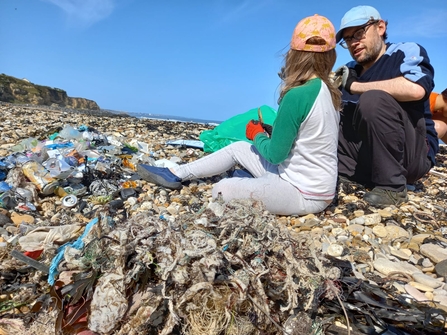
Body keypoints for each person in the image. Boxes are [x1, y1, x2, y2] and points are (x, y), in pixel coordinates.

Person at [137, 14, 341, 216]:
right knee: (238, 148)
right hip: (315, 185)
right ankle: (176, 173)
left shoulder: (297, 94)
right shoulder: (329, 92)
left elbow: (276, 155)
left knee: (221, 189)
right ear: (330, 57)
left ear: (294, 55)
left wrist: (256, 134)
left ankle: (253, 182)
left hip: (303, 193)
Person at [334, 5, 437, 207]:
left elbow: (417, 89)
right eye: (348, 39)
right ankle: (345, 175)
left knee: (373, 100)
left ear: (380, 27)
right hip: (366, 159)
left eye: (359, 33)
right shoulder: (349, 70)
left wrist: (356, 86)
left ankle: (392, 188)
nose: (354, 42)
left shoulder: (404, 52)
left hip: (411, 155)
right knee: (330, 114)